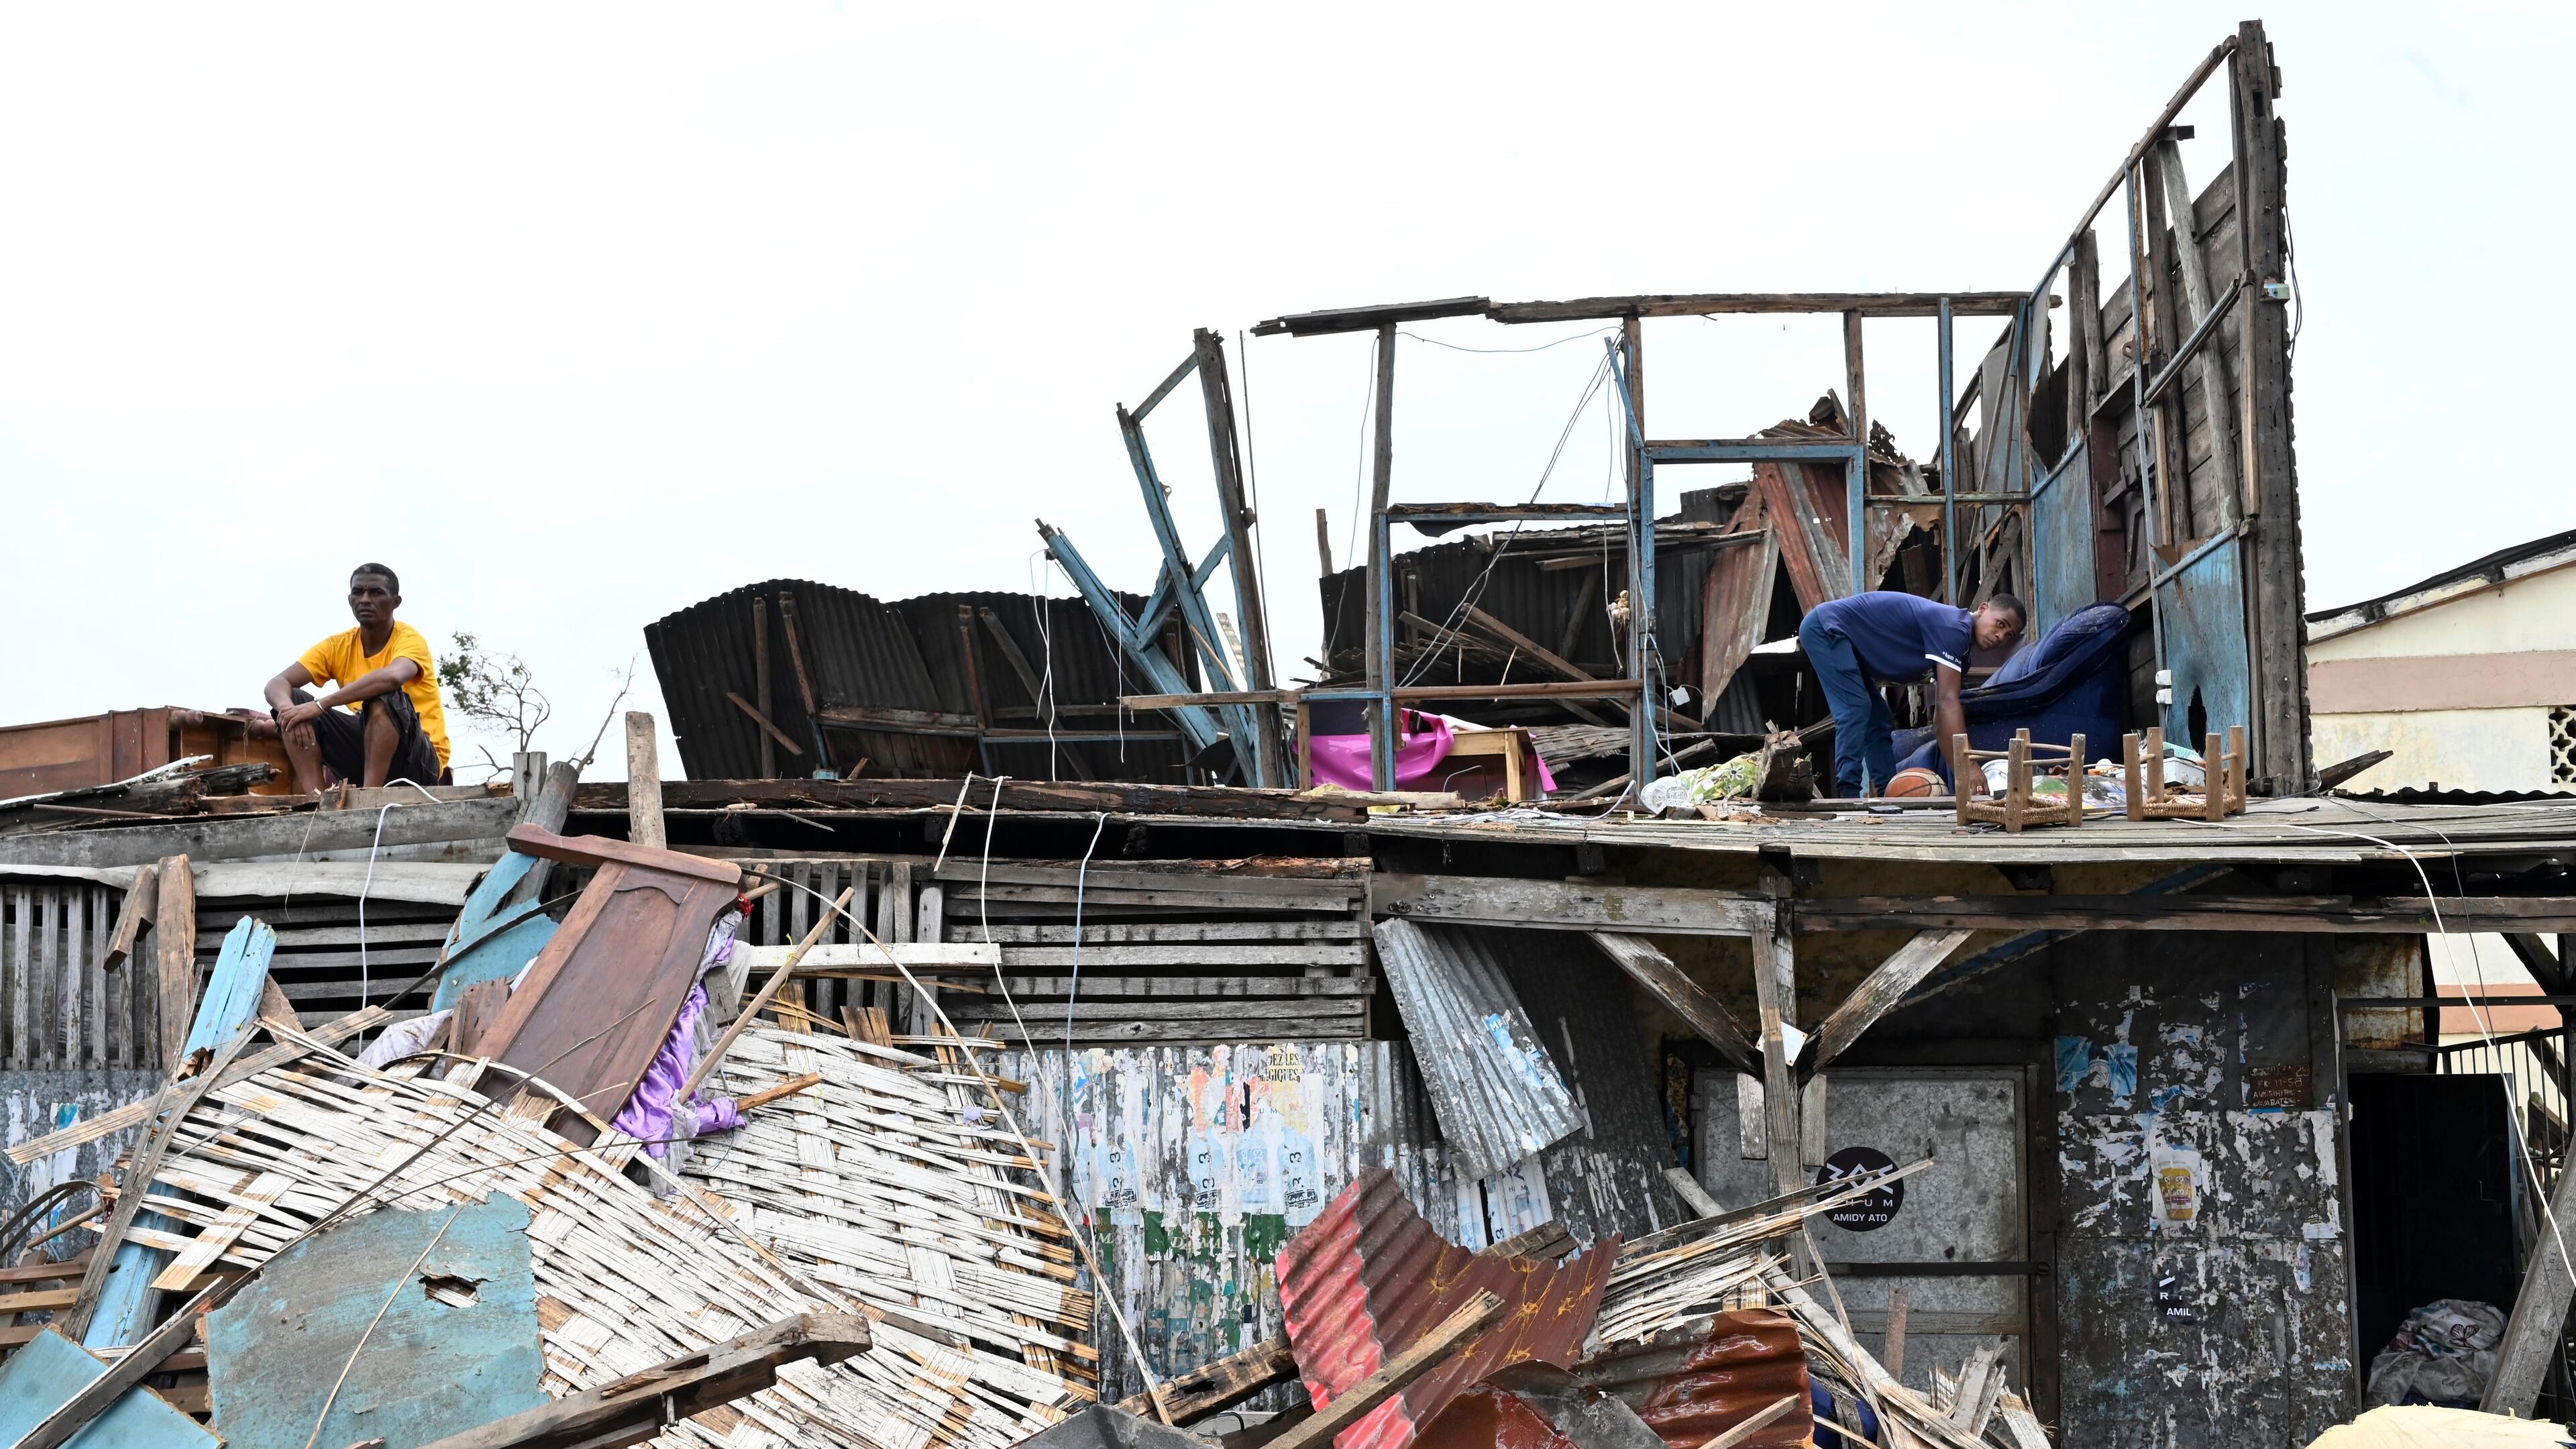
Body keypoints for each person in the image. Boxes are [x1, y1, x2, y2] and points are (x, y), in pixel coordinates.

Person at [1797, 590, 2025, 798]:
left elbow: (1943, 719)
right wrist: (1971, 768)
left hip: (1850, 645)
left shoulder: (1962, 654)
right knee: (1856, 707)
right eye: (2000, 624)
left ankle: (1890, 795)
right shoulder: (1954, 627)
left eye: (2009, 636)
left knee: (1878, 719)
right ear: (1983, 609)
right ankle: (1848, 796)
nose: (2001, 636)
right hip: (1827, 629)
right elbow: (1947, 704)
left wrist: (1963, 775)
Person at [263, 564, 453, 792]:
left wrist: (322, 704)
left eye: (376, 593)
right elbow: (276, 683)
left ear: (396, 602)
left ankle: (368, 797)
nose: (364, 599)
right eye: (358, 592)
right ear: (350, 599)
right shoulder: (338, 645)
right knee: (294, 701)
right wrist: (288, 710)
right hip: (368, 753)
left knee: (385, 696)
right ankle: (316, 799)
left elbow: (393, 677)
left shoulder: (410, 639)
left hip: (419, 763)